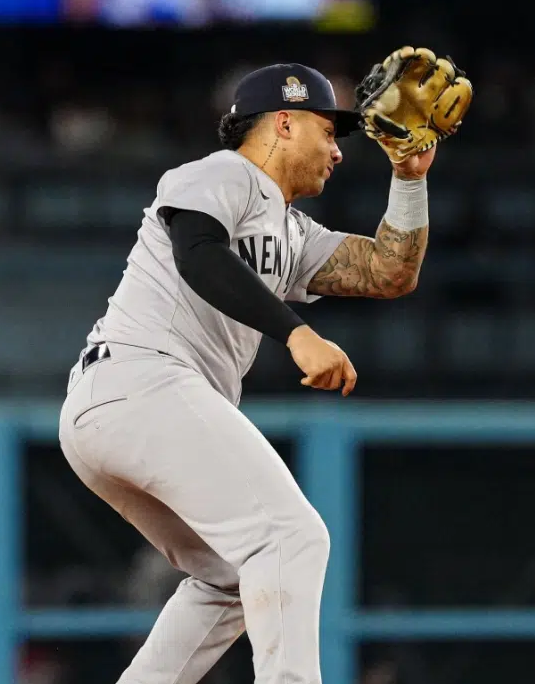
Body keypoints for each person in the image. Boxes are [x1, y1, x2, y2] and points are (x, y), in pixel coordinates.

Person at [58, 52, 471, 683]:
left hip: (119, 405)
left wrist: (410, 178)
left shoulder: (291, 232)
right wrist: (297, 333)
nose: (339, 151)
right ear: (282, 122)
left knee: (227, 577)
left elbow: (391, 271)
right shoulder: (223, 172)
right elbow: (198, 252)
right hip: (140, 379)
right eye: (328, 131)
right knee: (292, 537)